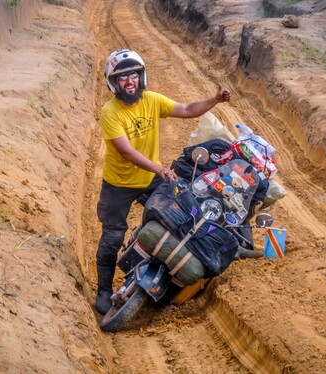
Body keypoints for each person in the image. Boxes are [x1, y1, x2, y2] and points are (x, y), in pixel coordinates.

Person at [94, 48, 232, 314]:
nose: (130, 81)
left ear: (142, 77)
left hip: (151, 180)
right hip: (118, 185)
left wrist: (215, 99)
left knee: (182, 215)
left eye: (134, 74)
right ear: (113, 83)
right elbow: (126, 151)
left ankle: (170, 272)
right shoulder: (110, 112)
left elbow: (187, 109)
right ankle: (103, 289)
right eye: (122, 77)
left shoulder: (152, 100)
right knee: (112, 236)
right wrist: (159, 169)